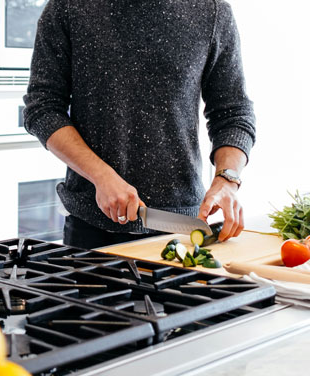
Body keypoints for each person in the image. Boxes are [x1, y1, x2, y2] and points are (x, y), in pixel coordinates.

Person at [23, 0, 256, 250]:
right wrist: (101, 176)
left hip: (182, 230)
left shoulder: (212, 12)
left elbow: (234, 113)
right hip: (93, 232)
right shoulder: (68, 7)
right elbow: (43, 107)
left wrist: (226, 180)